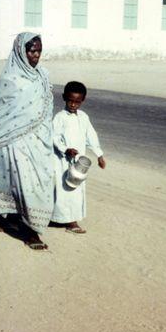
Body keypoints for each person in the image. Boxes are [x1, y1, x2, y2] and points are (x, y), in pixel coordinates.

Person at [0, 32, 54, 250]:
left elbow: (47, 109)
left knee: (37, 183)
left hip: (39, 140)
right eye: (31, 50)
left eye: (39, 50)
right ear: (20, 51)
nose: (36, 55)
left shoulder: (43, 75)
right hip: (14, 141)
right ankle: (30, 232)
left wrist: (47, 137)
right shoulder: (11, 79)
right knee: (22, 185)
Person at [51, 81, 106, 233]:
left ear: (83, 100)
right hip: (63, 161)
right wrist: (65, 149)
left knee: (76, 189)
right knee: (63, 190)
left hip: (79, 163)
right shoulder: (60, 117)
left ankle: (71, 219)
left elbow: (91, 136)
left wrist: (99, 155)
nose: (73, 105)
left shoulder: (83, 117)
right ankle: (68, 222)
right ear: (64, 98)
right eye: (70, 101)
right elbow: (54, 137)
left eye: (77, 102)